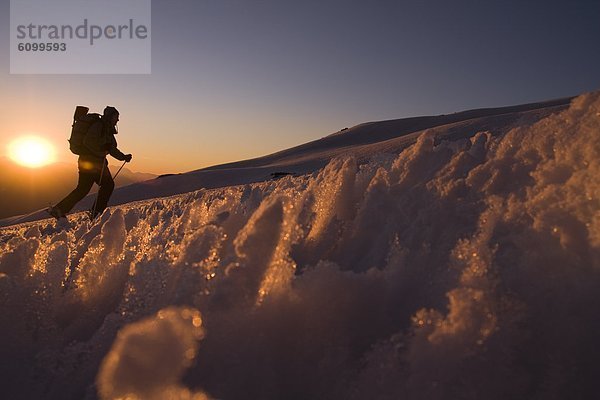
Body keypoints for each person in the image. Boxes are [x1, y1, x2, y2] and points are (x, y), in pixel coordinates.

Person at [49, 106, 132, 220]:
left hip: (89, 162)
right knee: (107, 185)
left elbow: (111, 148)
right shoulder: (99, 126)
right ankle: (96, 214)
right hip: (93, 163)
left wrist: (123, 157)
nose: (117, 120)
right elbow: (88, 142)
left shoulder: (107, 128)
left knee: (83, 189)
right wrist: (102, 148)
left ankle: (59, 209)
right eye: (116, 117)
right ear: (110, 116)